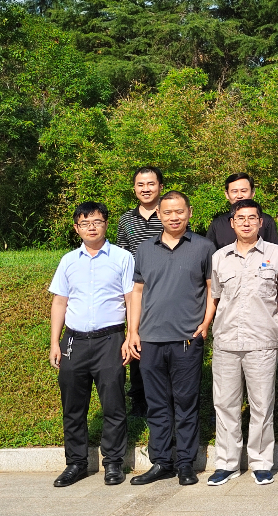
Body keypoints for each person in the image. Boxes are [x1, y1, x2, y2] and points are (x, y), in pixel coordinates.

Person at [125, 191, 216, 487]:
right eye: (167, 212)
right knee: (157, 403)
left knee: (186, 402)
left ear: (189, 212)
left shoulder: (204, 247)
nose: (174, 217)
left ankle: (186, 462)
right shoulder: (144, 249)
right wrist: (133, 331)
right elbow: (137, 292)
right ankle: (162, 461)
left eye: (179, 211)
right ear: (159, 215)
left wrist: (205, 323)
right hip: (150, 339)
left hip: (187, 339)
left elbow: (212, 289)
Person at [48, 202, 135, 488]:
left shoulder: (122, 258)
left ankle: (113, 463)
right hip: (74, 341)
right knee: (73, 406)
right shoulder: (68, 261)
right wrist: (55, 342)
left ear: (106, 224)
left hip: (110, 339)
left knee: (113, 404)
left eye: (97, 221)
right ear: (77, 228)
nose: (91, 227)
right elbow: (60, 301)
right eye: (85, 223)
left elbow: (131, 299)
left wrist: (131, 335)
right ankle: (75, 463)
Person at [207, 199, 278, 487]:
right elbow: (215, 297)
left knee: (262, 405)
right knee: (225, 405)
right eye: (240, 218)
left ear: (260, 222)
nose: (246, 223)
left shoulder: (277, 254)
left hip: (262, 342)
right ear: (232, 223)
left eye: (252, 218)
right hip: (226, 341)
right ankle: (227, 463)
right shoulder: (219, 257)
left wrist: (272, 324)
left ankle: (261, 463)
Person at [115, 166, 165, 416]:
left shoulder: (169, 214)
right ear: (134, 188)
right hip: (136, 291)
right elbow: (121, 256)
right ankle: (139, 398)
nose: (146, 189)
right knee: (136, 339)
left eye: (151, 184)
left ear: (160, 187)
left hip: (165, 289)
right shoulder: (126, 220)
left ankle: (165, 397)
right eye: (140, 185)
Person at [206, 173, 278, 249]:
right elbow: (209, 253)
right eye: (234, 191)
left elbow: (275, 251)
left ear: (252, 192)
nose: (239, 196)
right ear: (227, 194)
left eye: (243, 191)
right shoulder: (218, 224)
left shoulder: (266, 221)